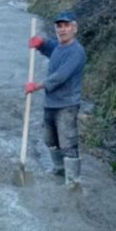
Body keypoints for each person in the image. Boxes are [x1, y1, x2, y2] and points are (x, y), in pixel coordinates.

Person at [26, 11, 87, 189]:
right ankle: (59, 169)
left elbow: (60, 76)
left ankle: (73, 182)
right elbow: (51, 48)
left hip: (67, 105)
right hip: (51, 103)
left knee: (67, 143)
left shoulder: (77, 52)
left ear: (74, 28)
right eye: (59, 26)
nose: (62, 29)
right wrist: (41, 43)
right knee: (50, 140)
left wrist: (37, 86)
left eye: (66, 26)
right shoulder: (59, 47)